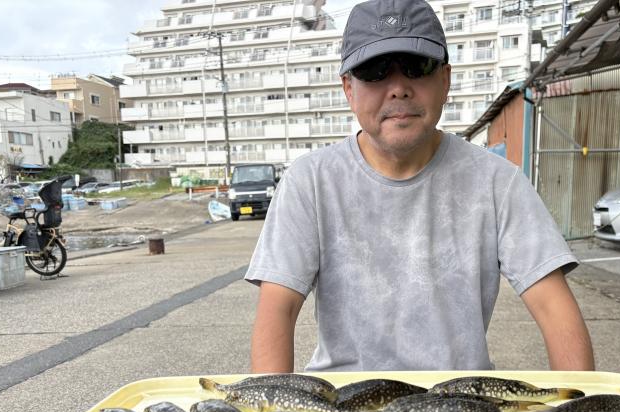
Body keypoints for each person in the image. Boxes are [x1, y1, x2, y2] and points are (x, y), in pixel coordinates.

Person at [245, 0, 594, 373]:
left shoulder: (498, 182)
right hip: (344, 407)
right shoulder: (310, 181)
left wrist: (577, 409)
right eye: (375, 70)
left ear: (444, 80)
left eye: (417, 66)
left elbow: (555, 311)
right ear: (349, 88)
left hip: (458, 402)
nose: (398, 88)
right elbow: (277, 310)